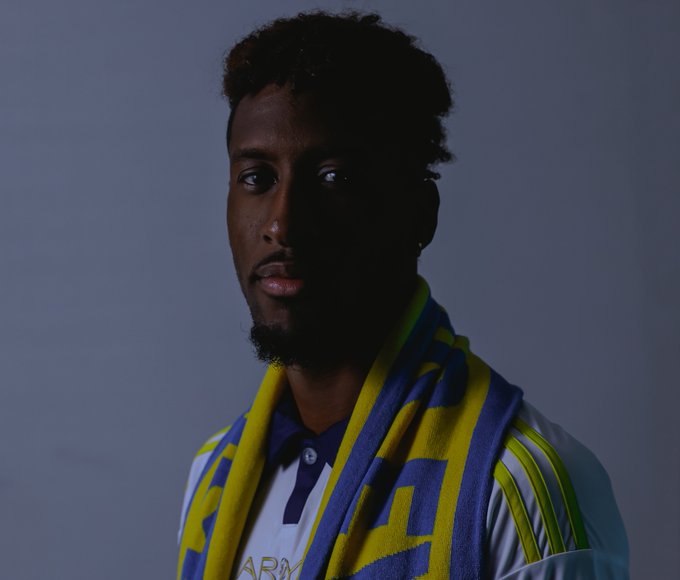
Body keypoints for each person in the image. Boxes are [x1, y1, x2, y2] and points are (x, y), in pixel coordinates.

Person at [177, 11, 628, 579]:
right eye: (256, 178)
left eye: (333, 177)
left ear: (420, 214)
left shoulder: (519, 486)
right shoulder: (212, 477)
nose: (281, 224)